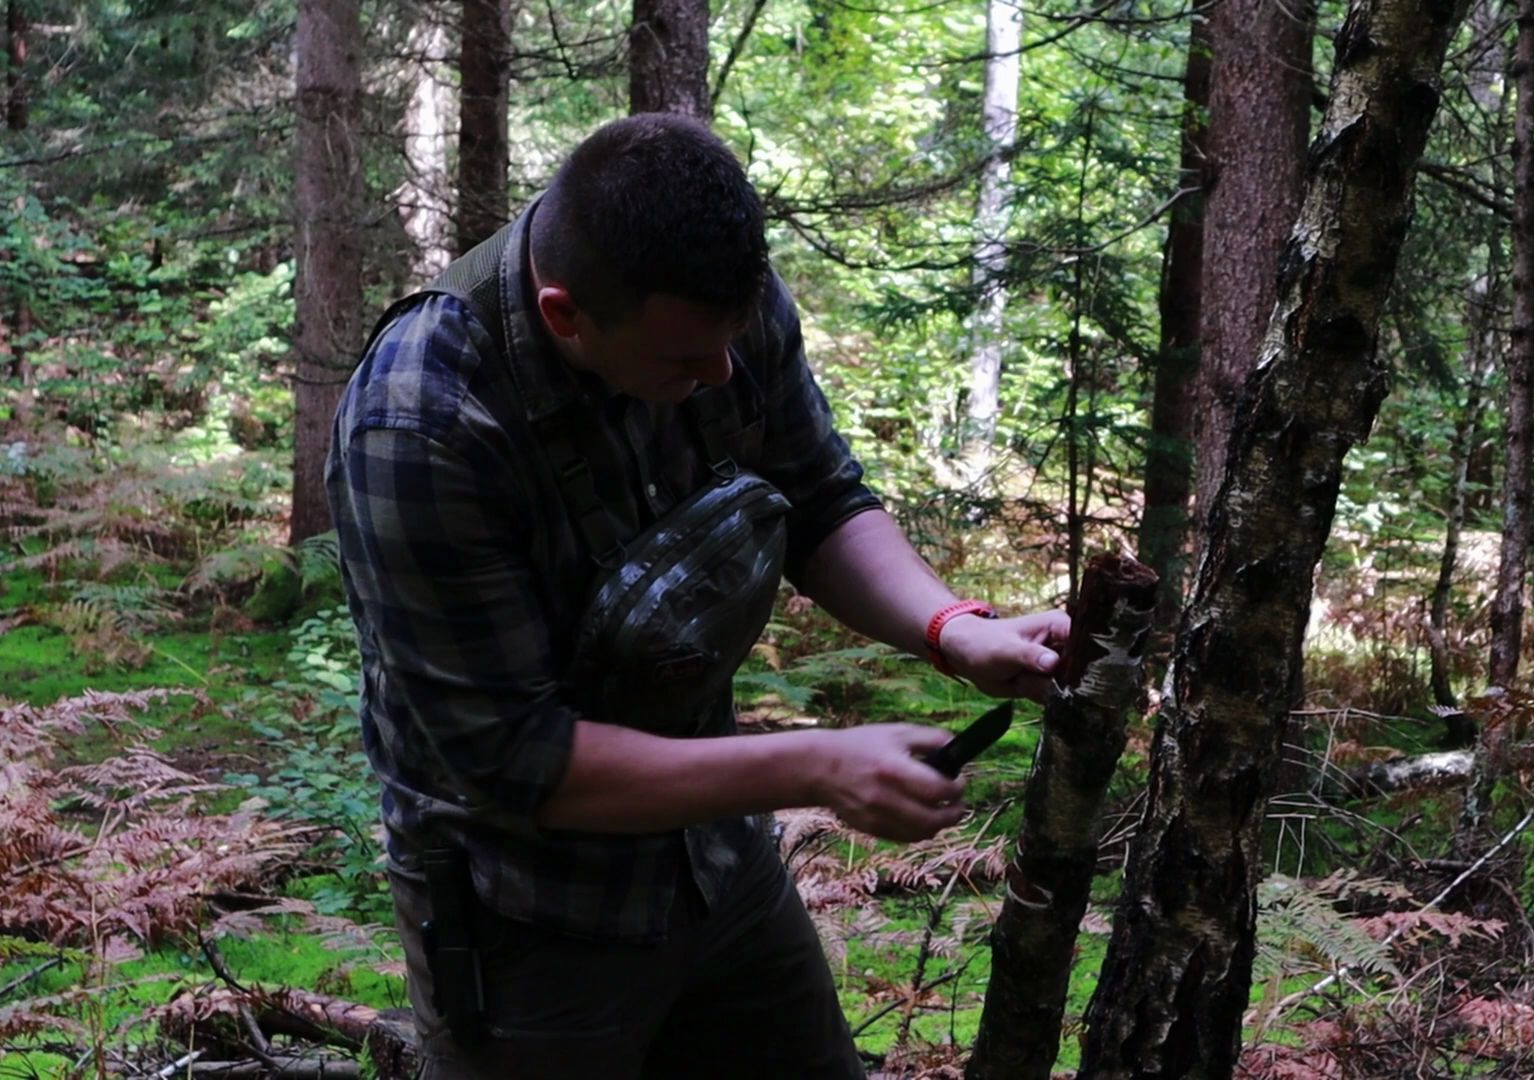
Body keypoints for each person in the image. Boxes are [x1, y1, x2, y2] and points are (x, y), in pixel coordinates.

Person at [325, 113, 1069, 1079]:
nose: (722, 373)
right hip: (522, 921)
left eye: (732, 341)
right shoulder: (421, 422)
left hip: (719, 869)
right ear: (566, 316)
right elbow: (518, 759)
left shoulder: (718, 310)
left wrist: (953, 630)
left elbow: (819, 496)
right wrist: (814, 767)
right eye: (685, 363)